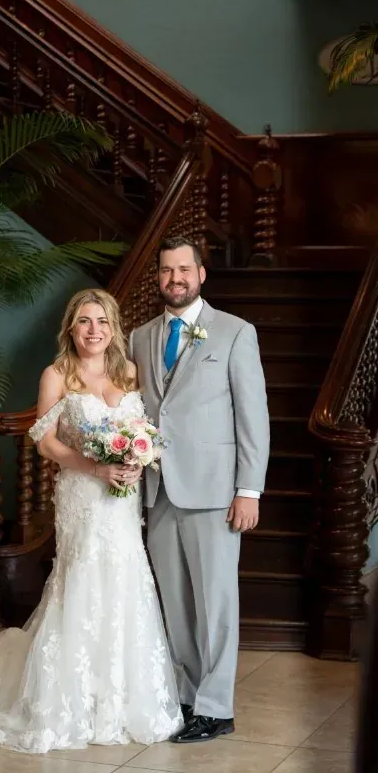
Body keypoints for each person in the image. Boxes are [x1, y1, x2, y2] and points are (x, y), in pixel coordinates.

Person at [0, 288, 183, 754]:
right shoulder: (57, 374)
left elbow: (142, 433)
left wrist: (137, 459)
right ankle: (68, 701)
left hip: (122, 501)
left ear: (113, 328)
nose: (93, 330)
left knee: (124, 579)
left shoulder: (131, 372)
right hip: (83, 494)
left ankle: (118, 701)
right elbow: (45, 441)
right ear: (71, 329)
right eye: (84, 321)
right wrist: (95, 467)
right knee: (80, 580)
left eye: (101, 321)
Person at [129, 236, 270, 744]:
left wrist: (248, 489)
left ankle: (217, 706)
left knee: (216, 602)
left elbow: (253, 417)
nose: (176, 279)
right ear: (159, 278)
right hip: (158, 488)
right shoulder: (139, 337)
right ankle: (188, 697)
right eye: (167, 271)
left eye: (184, 269)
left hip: (214, 491)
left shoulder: (235, 333)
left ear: (202, 274)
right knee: (176, 602)